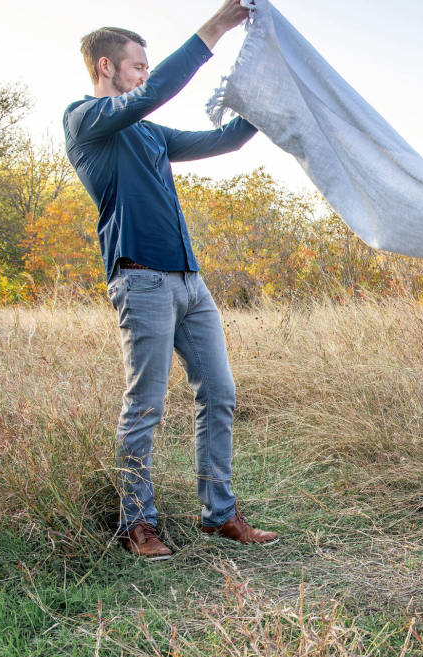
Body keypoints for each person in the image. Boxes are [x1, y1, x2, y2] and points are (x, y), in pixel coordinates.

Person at [64, 0, 278, 560]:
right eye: (137, 65)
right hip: (143, 283)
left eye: (145, 65)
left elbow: (227, 140)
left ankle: (219, 515)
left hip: (191, 283)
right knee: (146, 405)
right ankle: (139, 525)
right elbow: (151, 93)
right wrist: (216, 28)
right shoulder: (86, 120)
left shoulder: (152, 134)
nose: (143, 72)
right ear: (106, 67)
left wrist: (276, 99)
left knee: (221, 394)